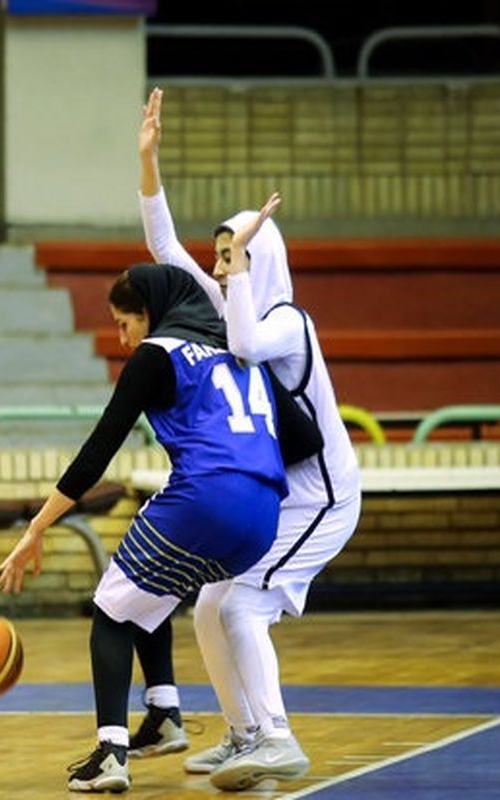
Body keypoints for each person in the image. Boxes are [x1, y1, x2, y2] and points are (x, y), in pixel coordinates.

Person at [131, 87, 363, 791]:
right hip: (279, 493)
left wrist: (236, 274)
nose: (221, 263)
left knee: (244, 604)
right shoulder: (234, 296)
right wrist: (149, 165)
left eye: (233, 254)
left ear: (261, 260)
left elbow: (243, 338)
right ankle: (241, 735)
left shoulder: (289, 321)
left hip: (322, 498)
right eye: (221, 253)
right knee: (208, 604)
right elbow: (164, 247)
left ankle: (279, 738)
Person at [0, 263, 288, 793]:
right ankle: (164, 714)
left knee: (110, 607)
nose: (121, 336)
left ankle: (111, 753)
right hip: (266, 514)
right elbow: (301, 435)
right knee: (146, 592)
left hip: (207, 495)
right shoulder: (240, 350)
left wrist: (36, 528)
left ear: (149, 314)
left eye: (123, 322)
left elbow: (97, 452)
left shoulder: (159, 352)